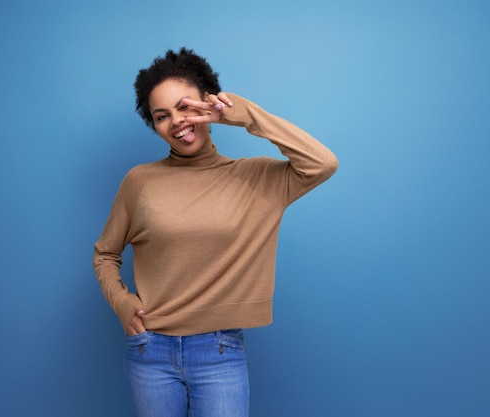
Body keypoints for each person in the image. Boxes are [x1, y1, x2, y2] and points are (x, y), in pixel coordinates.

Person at [93, 47, 338, 417]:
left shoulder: (255, 179)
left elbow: (322, 163)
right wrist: (122, 303)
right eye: (162, 116)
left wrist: (243, 115)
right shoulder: (139, 182)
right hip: (150, 351)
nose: (176, 120)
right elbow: (105, 254)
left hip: (219, 354)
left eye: (186, 106)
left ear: (209, 102)